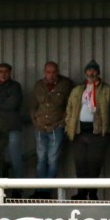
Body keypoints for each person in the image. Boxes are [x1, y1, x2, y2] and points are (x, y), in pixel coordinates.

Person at [65, 60, 110, 200]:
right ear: (85, 72)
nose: (91, 73)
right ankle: (81, 193)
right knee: (80, 165)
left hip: (97, 134)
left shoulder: (106, 90)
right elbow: (69, 108)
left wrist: (108, 128)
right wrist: (69, 124)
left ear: (98, 73)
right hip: (79, 132)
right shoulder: (77, 90)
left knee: (94, 164)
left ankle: (92, 193)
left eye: (94, 70)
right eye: (89, 70)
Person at [29, 61, 73, 199]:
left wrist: (62, 123)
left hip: (56, 127)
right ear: (44, 72)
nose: (51, 75)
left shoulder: (66, 84)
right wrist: (35, 120)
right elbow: (33, 105)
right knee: (41, 158)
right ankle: (39, 190)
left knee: (52, 159)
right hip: (40, 127)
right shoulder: (38, 85)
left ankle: (46, 191)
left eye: (53, 72)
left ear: (58, 71)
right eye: (48, 72)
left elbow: (70, 106)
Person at [0, 63, 23, 186]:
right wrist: (2, 103)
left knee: (15, 160)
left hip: (12, 127)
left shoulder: (15, 86)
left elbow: (13, 104)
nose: (3, 74)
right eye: (0, 71)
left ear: (10, 72)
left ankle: (17, 190)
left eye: (5, 71)